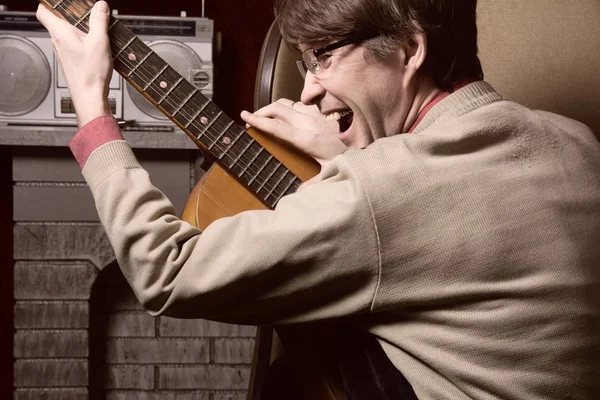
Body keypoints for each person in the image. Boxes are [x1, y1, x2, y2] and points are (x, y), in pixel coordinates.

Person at [37, 0, 600, 399]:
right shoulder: (576, 142)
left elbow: (164, 269)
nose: (306, 89)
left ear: (408, 48)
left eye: (323, 58)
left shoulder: (380, 192)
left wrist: (92, 107)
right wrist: (351, 157)